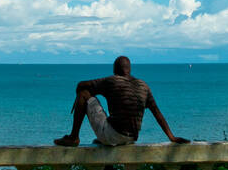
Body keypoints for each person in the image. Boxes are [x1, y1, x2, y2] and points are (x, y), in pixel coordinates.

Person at [54, 55, 189, 146]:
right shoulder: (143, 86)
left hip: (114, 135)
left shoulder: (112, 81)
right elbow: (157, 113)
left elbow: (81, 85)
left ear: (115, 70)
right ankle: (105, 138)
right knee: (104, 133)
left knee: (84, 94)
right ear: (129, 69)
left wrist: (79, 96)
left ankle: (74, 137)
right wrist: (172, 137)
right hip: (131, 138)